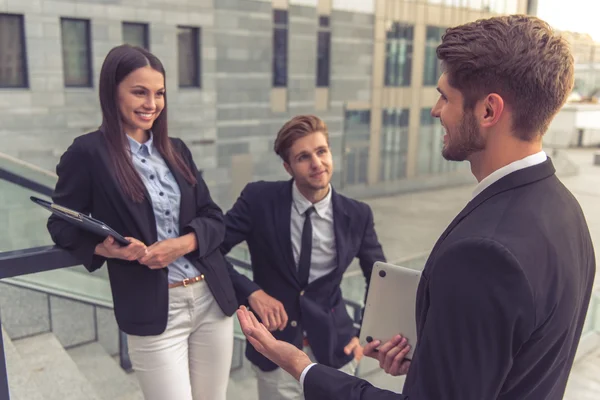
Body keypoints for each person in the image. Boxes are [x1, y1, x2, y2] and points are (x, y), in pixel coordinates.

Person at [235, 15, 597, 400]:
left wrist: (300, 366)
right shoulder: (567, 213)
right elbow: (513, 365)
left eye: (445, 96)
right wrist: (430, 359)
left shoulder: (484, 252)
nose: (435, 111)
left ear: (489, 111)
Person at [47, 44, 237, 400]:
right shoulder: (87, 153)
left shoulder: (176, 150)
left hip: (211, 300)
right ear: (112, 91)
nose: (152, 103)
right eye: (139, 92)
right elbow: (60, 223)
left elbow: (214, 219)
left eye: (159, 93)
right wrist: (106, 249)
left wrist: (181, 244)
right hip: (154, 309)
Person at [221, 115, 386, 400]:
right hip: (276, 351)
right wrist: (252, 292)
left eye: (322, 151)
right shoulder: (258, 199)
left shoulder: (357, 214)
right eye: (303, 157)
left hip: (337, 352)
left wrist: (367, 335)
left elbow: (380, 278)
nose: (317, 164)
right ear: (288, 167)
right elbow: (212, 250)